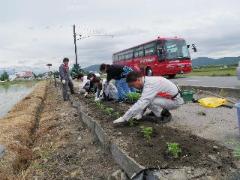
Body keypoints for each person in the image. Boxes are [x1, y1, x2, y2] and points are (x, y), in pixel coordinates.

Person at [113, 71, 184, 124]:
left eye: (133, 85)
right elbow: (143, 99)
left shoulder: (150, 84)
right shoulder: (147, 81)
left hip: (175, 101)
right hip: (170, 98)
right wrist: (140, 114)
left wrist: (124, 117)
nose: (134, 87)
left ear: (138, 80)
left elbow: (142, 102)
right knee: (148, 100)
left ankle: (164, 115)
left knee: (149, 101)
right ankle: (157, 112)